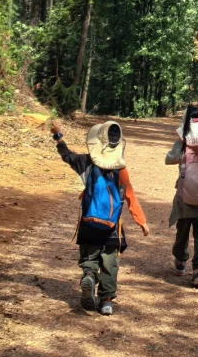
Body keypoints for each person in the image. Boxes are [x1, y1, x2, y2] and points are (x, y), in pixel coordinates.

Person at [51, 118, 149, 315]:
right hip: (112, 226)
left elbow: (66, 155)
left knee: (90, 256)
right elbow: (129, 195)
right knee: (110, 262)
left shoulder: (85, 162)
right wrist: (142, 221)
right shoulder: (120, 169)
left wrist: (58, 135)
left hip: (88, 222)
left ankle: (88, 274)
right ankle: (106, 301)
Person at [164, 104, 198, 288]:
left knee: (182, 230)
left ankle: (180, 260)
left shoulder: (182, 141)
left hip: (184, 197)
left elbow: (169, 159)